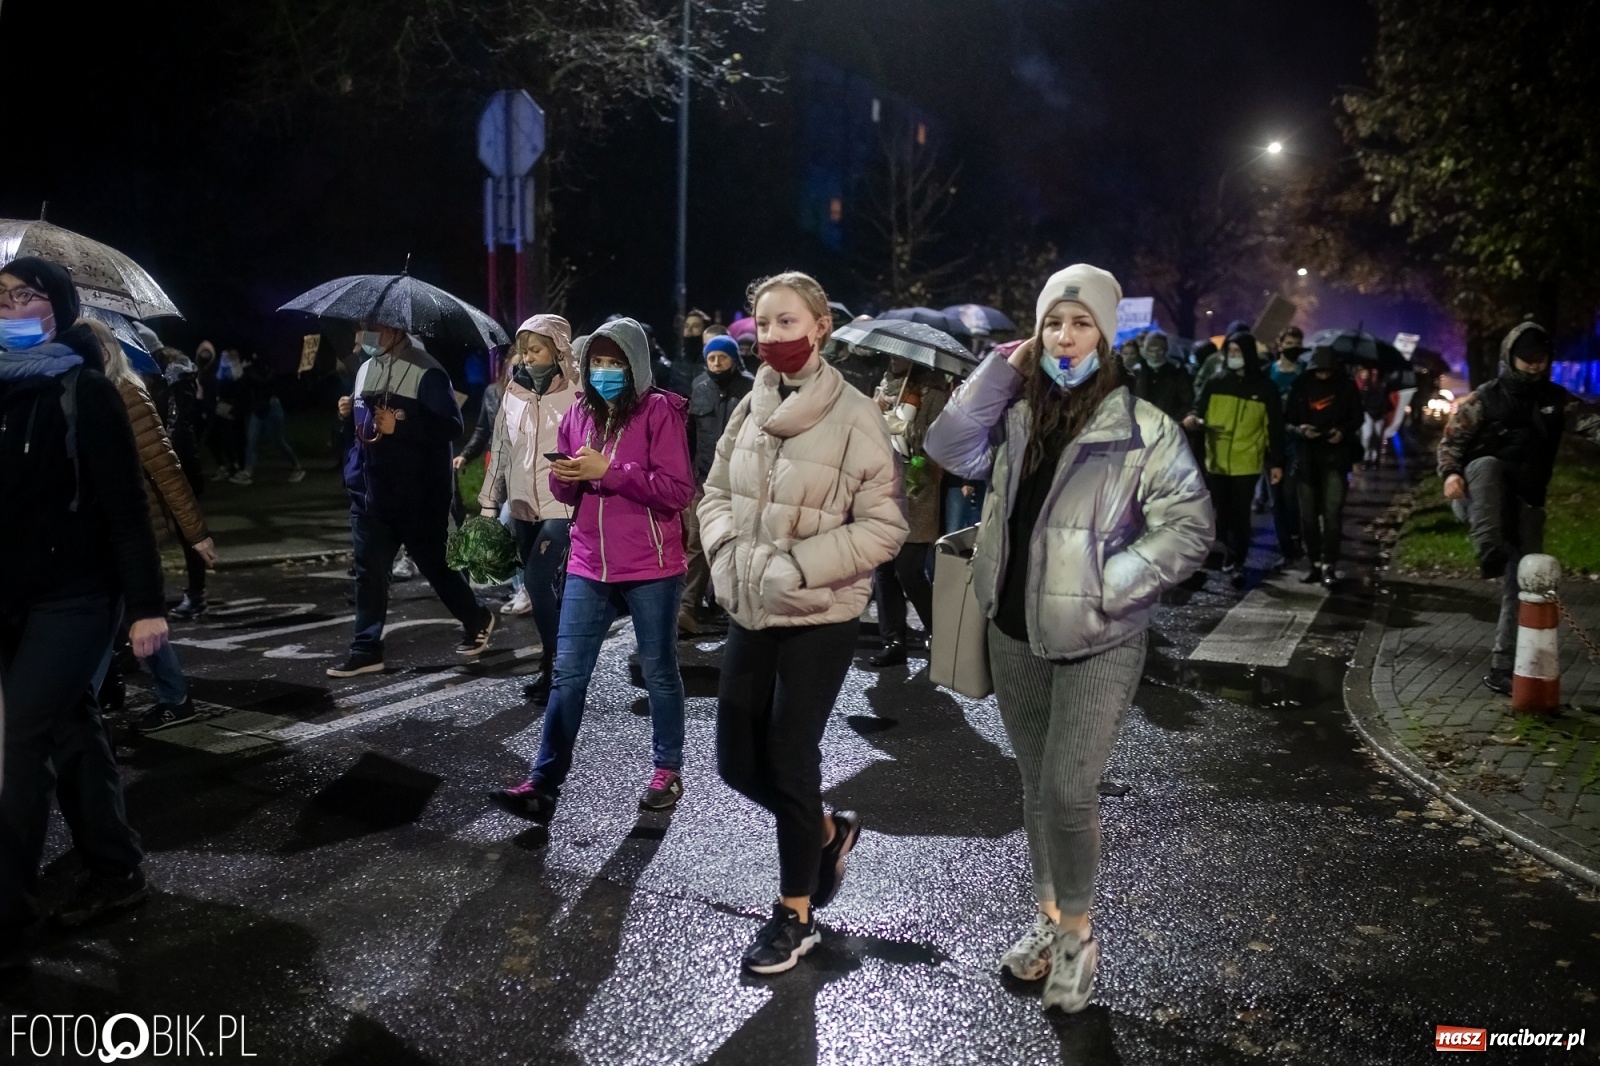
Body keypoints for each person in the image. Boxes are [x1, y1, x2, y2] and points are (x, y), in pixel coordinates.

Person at [925, 264, 1212, 1014]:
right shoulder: (1018, 416)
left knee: (1066, 788)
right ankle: (1048, 920)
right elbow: (948, 447)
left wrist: (1106, 589)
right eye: (1054, 321)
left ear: (1106, 334)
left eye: (1080, 323)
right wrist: (1002, 367)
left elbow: (1188, 531)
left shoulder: (1141, 429)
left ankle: (1079, 935)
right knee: (1033, 785)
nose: (1064, 336)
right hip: (1012, 629)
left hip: (1098, 641)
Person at [698, 271, 907, 975]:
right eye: (764, 323)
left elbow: (884, 529)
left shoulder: (856, 416)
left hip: (820, 611)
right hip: (751, 605)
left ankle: (795, 913)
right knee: (735, 762)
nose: (774, 336)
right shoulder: (748, 408)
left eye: (789, 322)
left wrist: (797, 567)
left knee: (790, 757)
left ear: (820, 327)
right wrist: (728, 554)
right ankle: (824, 830)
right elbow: (716, 493)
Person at [0, 258, 165, 945]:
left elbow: (126, 509)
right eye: (1, 297)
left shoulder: (86, 391)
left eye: (26, 295)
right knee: (71, 730)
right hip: (9, 598)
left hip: (74, 599)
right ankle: (116, 866)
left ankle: (7, 918)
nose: (11, 308)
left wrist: (147, 605)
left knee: (15, 746)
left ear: (58, 307)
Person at [488, 318, 694, 821]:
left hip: (650, 563)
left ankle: (667, 770)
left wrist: (611, 472)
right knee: (567, 675)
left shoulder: (659, 411)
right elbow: (566, 495)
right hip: (587, 561)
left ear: (635, 365)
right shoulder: (579, 412)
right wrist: (566, 477)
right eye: (597, 362)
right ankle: (543, 782)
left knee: (659, 671)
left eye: (614, 362)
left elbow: (677, 490)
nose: (604, 371)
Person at [1438, 321, 1600, 694]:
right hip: (1476, 497)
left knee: (1522, 583)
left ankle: (1503, 666)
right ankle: (1487, 548)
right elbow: (1451, 442)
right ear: (1509, 357)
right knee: (1487, 464)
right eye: (1526, 359)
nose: (1533, 366)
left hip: (1526, 502)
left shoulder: (1557, 402)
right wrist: (1450, 475)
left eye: (1540, 359)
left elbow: (1591, 424)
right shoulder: (1485, 398)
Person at [330, 324, 496, 677]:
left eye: (374, 328)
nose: (366, 335)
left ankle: (476, 616)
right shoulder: (364, 370)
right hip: (371, 492)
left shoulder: (428, 370)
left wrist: (401, 427)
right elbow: (363, 431)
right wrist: (348, 417)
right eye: (363, 328)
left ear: (395, 329)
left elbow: (450, 427)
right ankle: (365, 648)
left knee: (437, 568)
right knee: (369, 573)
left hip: (418, 496)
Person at [81, 320, 219, 731]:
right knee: (115, 618)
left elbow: (165, 467)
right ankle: (166, 695)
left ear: (107, 351)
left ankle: (85, 706)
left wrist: (195, 532)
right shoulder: (79, 393)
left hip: (124, 530)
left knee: (104, 619)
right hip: (91, 529)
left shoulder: (126, 392)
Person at [477, 315, 580, 703]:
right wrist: (490, 504)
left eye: (535, 349)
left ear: (557, 350)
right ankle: (554, 658)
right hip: (522, 505)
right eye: (523, 350)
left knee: (537, 581)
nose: (526, 357)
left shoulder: (577, 393)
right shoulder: (513, 394)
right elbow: (501, 450)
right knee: (542, 592)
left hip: (562, 505)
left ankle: (556, 663)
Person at [1183, 332, 1284, 588]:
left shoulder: (1264, 388)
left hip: (1247, 461)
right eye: (1231, 352)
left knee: (1241, 514)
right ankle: (1226, 554)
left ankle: (1237, 561)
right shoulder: (1216, 382)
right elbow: (1198, 407)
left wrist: (1276, 462)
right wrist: (1193, 418)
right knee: (1221, 512)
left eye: (1239, 352)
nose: (1234, 357)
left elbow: (1274, 428)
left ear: (1248, 355)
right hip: (1216, 459)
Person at [869, 356, 948, 667]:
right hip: (883, 484)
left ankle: (939, 632)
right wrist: (874, 413)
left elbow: (936, 440)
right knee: (884, 569)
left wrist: (900, 424)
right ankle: (893, 641)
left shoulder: (935, 394)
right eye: (891, 353)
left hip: (918, 487)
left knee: (909, 570)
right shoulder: (885, 386)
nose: (893, 358)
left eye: (901, 355)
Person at [680, 333, 753, 635]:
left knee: (739, 543)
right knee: (696, 545)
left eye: (723, 357)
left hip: (743, 481)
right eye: (712, 358)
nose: (717, 363)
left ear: (734, 359)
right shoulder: (700, 388)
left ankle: (734, 607)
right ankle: (687, 608)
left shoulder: (752, 388)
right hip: (704, 480)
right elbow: (690, 437)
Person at [1283, 347, 1362, 588]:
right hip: (1306, 459)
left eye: (1328, 371)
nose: (1323, 375)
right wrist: (1300, 430)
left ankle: (1330, 565)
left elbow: (1357, 416)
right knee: (1307, 516)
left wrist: (1342, 432)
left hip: (1335, 460)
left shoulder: (1346, 386)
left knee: (1332, 514)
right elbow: (1287, 420)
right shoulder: (1301, 384)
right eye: (1320, 371)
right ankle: (1314, 563)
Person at [232, 352, 304, 485]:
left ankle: (297, 467)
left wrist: (246, 371)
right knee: (251, 440)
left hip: (272, 407)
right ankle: (248, 472)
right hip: (258, 408)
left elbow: (264, 381)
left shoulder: (268, 370)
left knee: (278, 441)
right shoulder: (249, 372)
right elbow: (243, 387)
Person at [1265, 332, 1306, 568]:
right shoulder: (1269, 373)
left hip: (1296, 445)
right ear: (1279, 345)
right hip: (1271, 445)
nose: (1293, 348)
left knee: (1290, 495)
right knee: (1275, 499)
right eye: (1289, 344)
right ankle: (1286, 547)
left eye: (1297, 345)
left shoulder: (1303, 374)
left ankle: (1295, 538)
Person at [1129, 328, 1193, 426]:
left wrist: (1175, 419)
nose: (1155, 354)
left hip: (1167, 425)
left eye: (1159, 350)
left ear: (1165, 350)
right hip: (1140, 424)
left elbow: (1187, 400)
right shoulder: (1136, 372)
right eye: (1151, 350)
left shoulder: (1177, 372)